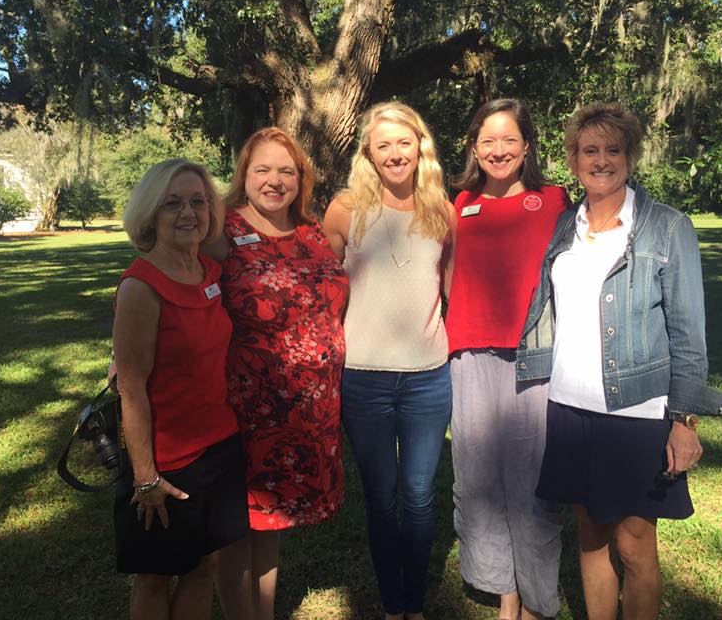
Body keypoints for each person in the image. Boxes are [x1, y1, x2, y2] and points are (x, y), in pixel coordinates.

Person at [519, 102, 722, 620]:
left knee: (635, 545)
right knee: (590, 538)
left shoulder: (666, 227)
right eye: (590, 150)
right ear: (574, 160)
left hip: (637, 413)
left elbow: (688, 330)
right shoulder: (566, 228)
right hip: (569, 406)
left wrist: (684, 420)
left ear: (631, 156)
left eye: (613, 149)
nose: (602, 160)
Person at [323, 101, 456, 620]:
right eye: (385, 146)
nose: (396, 154)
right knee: (381, 497)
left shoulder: (442, 211)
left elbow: (454, 289)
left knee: (420, 496)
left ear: (420, 146)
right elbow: (318, 286)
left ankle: (414, 604)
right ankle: (390, 604)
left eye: (405, 143)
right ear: (369, 154)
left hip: (428, 378)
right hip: (363, 380)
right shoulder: (345, 209)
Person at [214, 127, 349, 620]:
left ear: (301, 179)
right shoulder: (219, 233)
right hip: (248, 409)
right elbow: (177, 287)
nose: (274, 181)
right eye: (263, 169)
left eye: (286, 171)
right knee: (238, 528)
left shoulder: (312, 231)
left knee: (270, 522)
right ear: (244, 176)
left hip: (310, 412)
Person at [446, 98, 570, 620]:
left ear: (526, 146)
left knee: (533, 480)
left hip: (534, 356)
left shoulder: (557, 199)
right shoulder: (458, 204)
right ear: (474, 148)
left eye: (509, 140)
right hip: (468, 352)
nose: (498, 150)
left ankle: (539, 599)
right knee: (477, 480)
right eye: (487, 140)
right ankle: (505, 592)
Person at [113, 159, 253, 620]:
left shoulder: (209, 271)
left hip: (220, 448)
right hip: (168, 464)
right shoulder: (141, 286)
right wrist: (145, 477)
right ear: (151, 214)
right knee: (154, 578)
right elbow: (131, 391)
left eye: (197, 201)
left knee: (205, 565)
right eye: (172, 203)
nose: (187, 212)